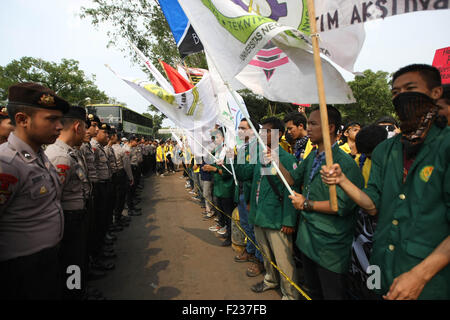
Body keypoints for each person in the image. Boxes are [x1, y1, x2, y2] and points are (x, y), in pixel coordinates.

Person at [321, 64, 449, 300]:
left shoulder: (445, 147)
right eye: (395, 92)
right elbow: (372, 205)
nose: (402, 96)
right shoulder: (385, 151)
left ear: (435, 93)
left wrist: (420, 275)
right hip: (380, 263)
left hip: (429, 280)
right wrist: (342, 181)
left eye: (410, 88)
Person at [0, 82, 69, 299]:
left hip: (45, 261)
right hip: (22, 270)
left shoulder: (39, 155)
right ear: (22, 119)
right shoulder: (7, 163)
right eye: (51, 119)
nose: (59, 126)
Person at [286, 106, 364, 300]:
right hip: (308, 240)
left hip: (330, 247)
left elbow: (342, 206)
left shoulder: (345, 164)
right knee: (314, 292)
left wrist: (306, 204)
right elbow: (291, 180)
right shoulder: (312, 156)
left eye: (313, 123)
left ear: (330, 127)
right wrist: (271, 158)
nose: (308, 128)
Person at [237, 117, 299, 300]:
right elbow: (248, 178)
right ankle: (271, 280)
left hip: (277, 218)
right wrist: (241, 153)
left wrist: (289, 220)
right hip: (260, 216)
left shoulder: (287, 158)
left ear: (279, 134)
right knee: (266, 255)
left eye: (267, 131)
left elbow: (292, 190)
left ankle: (290, 294)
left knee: (284, 260)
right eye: (261, 130)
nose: (262, 134)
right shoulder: (259, 156)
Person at [45, 106, 88, 300]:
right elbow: (54, 200)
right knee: (72, 263)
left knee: (77, 260)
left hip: (73, 218)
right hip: (68, 221)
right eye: (85, 128)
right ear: (77, 127)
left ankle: (78, 291)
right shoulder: (60, 156)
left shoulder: (68, 153)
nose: (87, 133)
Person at [230, 118, 265, 278]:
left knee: (254, 229)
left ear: (252, 131)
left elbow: (246, 172)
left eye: (243, 128)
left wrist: (237, 161)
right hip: (243, 192)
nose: (239, 131)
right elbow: (240, 172)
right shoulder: (244, 148)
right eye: (239, 128)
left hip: (252, 195)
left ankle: (259, 260)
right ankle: (250, 252)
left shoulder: (257, 148)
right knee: (245, 225)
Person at [203, 128, 235, 247]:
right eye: (214, 138)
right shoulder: (218, 150)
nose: (214, 140)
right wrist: (209, 167)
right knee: (223, 213)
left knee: (229, 214)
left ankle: (231, 237)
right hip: (219, 187)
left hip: (227, 188)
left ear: (224, 137)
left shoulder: (230, 151)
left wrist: (215, 169)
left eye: (216, 137)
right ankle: (227, 232)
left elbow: (230, 172)